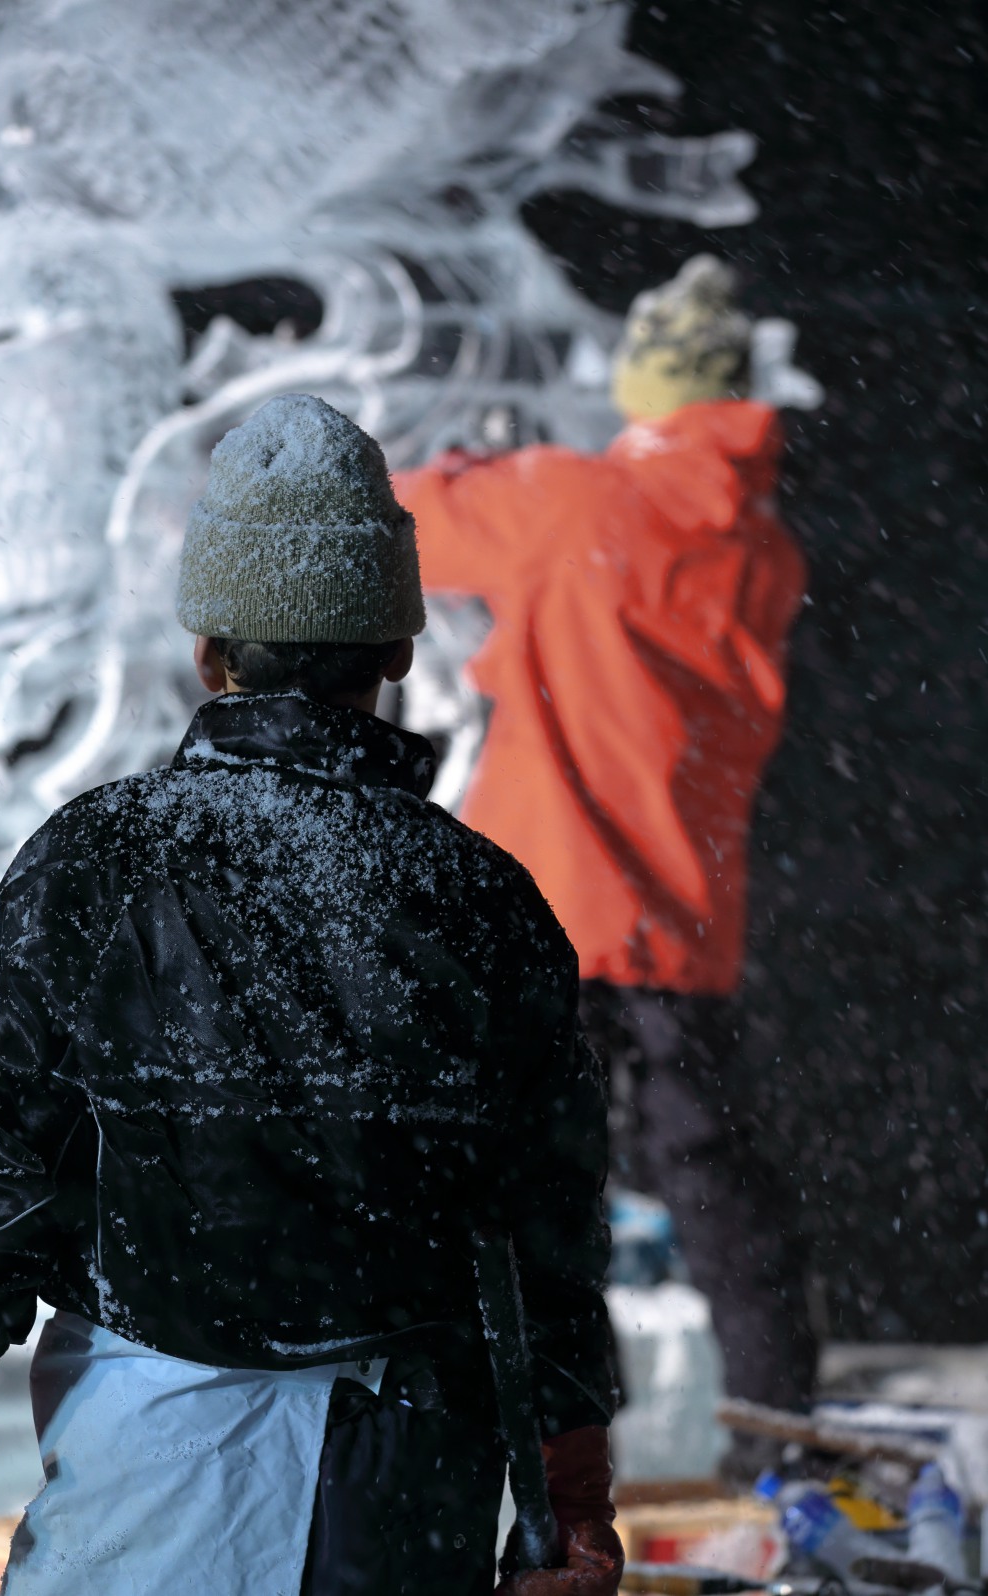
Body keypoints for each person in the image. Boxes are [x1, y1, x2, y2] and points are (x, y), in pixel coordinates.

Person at [0, 396, 623, 1594]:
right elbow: (542, 1235)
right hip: (406, 1476)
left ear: (210, 652)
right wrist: (568, 1505)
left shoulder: (103, 858)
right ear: (398, 652)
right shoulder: (479, 896)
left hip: (151, 1463)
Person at [392, 258, 818, 1428]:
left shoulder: (573, 502)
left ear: (643, 385)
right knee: (714, 1171)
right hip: (682, 911)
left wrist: (460, 465)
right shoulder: (763, 550)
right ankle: (780, 1416)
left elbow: (400, 519)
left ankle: (565, 1418)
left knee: (528, 1177)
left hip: (549, 904)